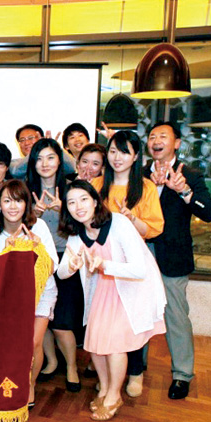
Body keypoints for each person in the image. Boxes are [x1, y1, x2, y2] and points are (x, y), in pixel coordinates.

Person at [57, 181, 166, 421]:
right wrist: (72, 265)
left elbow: (139, 269)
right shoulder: (77, 234)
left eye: (83, 199)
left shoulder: (118, 223)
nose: (78, 206)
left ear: (95, 201)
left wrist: (104, 265)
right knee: (95, 344)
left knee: (115, 345)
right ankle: (105, 388)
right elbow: (62, 272)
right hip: (101, 291)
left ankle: (114, 394)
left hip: (129, 290)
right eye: (72, 202)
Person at [144, 121, 211, 400]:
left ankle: (182, 374)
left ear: (176, 143)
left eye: (163, 135)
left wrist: (183, 191)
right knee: (139, 311)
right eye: (152, 136)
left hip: (172, 256)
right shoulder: (139, 175)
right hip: (141, 254)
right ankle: (137, 367)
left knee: (175, 315)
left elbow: (209, 212)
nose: (156, 140)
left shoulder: (191, 175)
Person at [90, 131, 164, 397]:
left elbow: (153, 229)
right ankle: (109, 378)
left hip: (131, 263)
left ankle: (135, 372)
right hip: (101, 261)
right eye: (112, 151)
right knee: (104, 321)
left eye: (124, 151)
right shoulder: (97, 185)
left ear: (135, 156)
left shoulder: (145, 188)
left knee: (131, 320)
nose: (117, 157)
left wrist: (131, 219)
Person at [0, 180, 58, 409]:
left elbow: (53, 266)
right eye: (7, 200)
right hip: (8, 298)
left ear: (26, 204)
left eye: (18, 200)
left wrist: (37, 249)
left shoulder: (38, 227)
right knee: (10, 343)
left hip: (41, 292)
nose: (12, 206)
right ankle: (10, 381)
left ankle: (30, 384)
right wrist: (8, 252)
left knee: (32, 342)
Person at [26, 138, 83, 393]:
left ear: (60, 160)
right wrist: (33, 215)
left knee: (62, 320)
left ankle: (71, 367)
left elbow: (85, 224)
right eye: (39, 159)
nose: (44, 164)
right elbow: (18, 225)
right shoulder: (26, 191)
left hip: (67, 258)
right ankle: (51, 361)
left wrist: (65, 209)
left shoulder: (72, 189)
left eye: (50, 157)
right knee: (42, 316)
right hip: (37, 260)